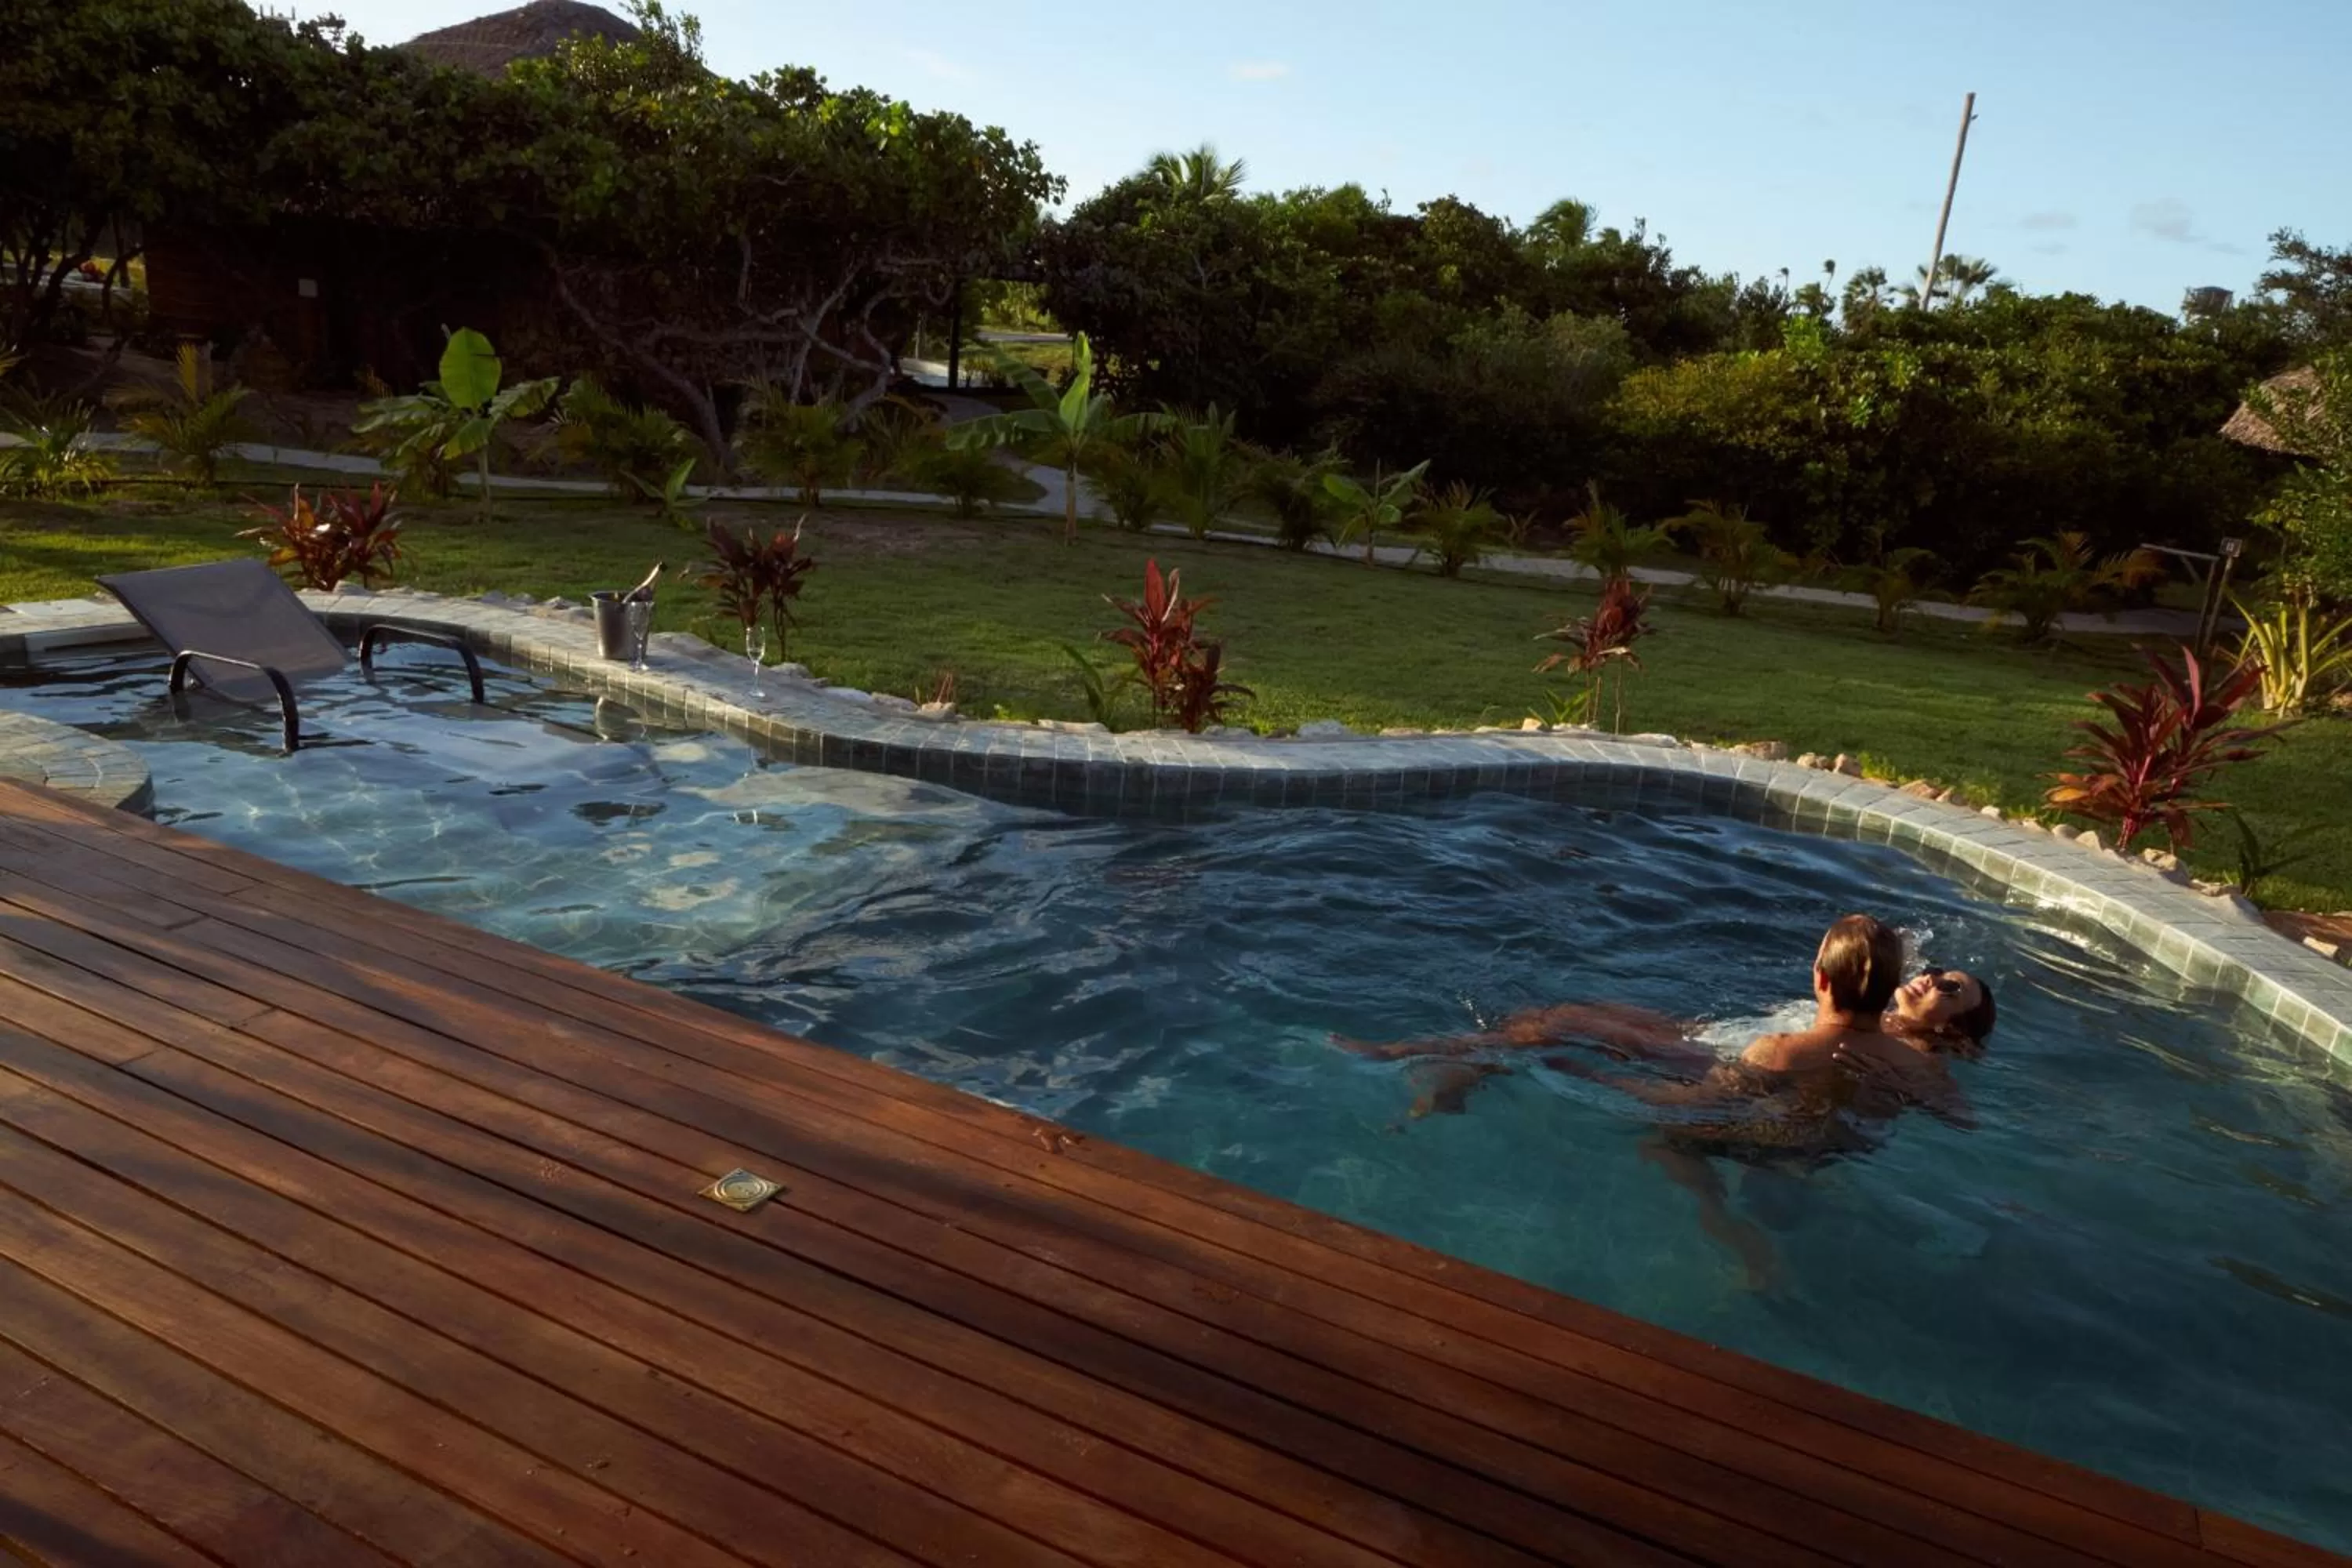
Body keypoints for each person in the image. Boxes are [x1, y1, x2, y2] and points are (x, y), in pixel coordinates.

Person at [1334, 916, 1997, 1287]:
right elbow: (1963, 1122)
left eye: (1951, 989)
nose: (1934, 978)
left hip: (1728, 1075)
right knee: (1564, 1015)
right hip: (1722, 1052)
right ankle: (1449, 1074)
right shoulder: (1907, 1060)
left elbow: (1695, 1106)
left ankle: (1418, 1062)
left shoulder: (1818, 1049)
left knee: (1561, 1036)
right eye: (1931, 973)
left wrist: (1587, 1079)